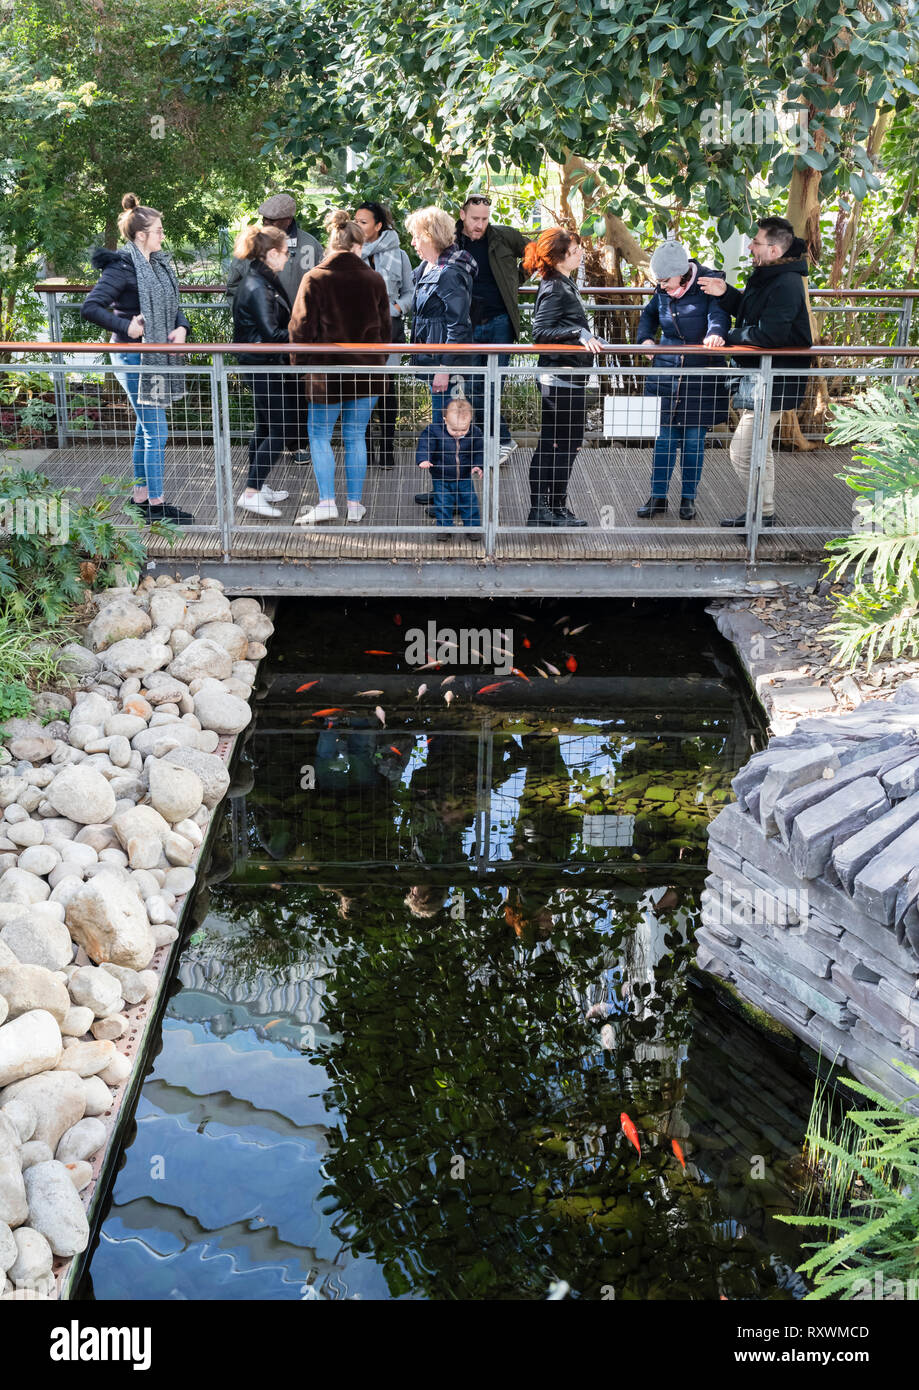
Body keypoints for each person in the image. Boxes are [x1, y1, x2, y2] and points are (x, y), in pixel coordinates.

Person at [81, 193, 195, 525]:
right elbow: (91, 307)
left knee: (145, 428)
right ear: (141, 234)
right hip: (133, 358)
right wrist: (127, 327)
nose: (162, 235)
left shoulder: (156, 264)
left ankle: (140, 497)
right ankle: (156, 506)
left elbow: (172, 305)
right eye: (158, 230)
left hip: (154, 355)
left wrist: (182, 328)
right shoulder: (123, 266)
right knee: (156, 431)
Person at [698, 217, 813, 529]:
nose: (750, 246)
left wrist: (727, 337)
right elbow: (754, 315)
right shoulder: (768, 276)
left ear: (774, 250)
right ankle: (763, 514)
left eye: (757, 242)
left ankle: (762, 515)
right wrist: (726, 293)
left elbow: (769, 335)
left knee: (741, 452)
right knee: (758, 450)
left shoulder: (785, 283)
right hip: (761, 378)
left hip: (773, 380)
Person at [288, 209, 390, 525]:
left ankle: (327, 501)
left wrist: (300, 366)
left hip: (324, 373)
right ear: (359, 246)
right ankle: (355, 505)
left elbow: (299, 329)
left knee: (319, 435)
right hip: (367, 372)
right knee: (355, 436)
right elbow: (386, 331)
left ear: (331, 243)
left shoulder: (314, 278)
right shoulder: (375, 279)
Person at [635, 241, 731, 522]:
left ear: (682, 273)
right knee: (664, 439)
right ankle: (658, 496)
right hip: (666, 370)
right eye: (659, 281)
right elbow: (649, 315)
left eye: (665, 280)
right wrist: (646, 339)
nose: (662, 285)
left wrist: (715, 333)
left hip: (700, 370)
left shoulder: (707, 284)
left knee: (693, 441)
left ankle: (688, 498)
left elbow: (719, 315)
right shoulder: (662, 290)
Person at [524, 228, 604, 527]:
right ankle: (542, 509)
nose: (581, 253)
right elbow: (540, 335)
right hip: (559, 379)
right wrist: (578, 333)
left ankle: (555, 508)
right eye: (576, 250)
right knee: (555, 444)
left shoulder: (561, 283)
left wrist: (581, 335)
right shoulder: (555, 286)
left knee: (565, 444)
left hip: (567, 376)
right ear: (559, 256)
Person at [405, 205, 478, 512]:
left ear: (429, 235)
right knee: (440, 431)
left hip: (448, 368)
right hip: (434, 361)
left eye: (415, 237)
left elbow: (457, 327)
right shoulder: (427, 269)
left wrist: (444, 369)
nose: (412, 243)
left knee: (453, 435)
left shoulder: (451, 272)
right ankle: (442, 492)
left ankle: (460, 502)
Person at [455, 193, 529, 457]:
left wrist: (516, 279)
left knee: (495, 385)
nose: (480, 224)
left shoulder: (504, 236)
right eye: (475, 218)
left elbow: (535, 253)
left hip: (500, 322)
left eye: (485, 219)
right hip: (468, 325)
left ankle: (496, 443)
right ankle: (498, 440)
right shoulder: (450, 239)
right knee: (474, 388)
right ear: (462, 214)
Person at [231, 224, 295, 518]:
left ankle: (257, 484)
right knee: (280, 429)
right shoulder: (258, 285)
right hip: (262, 363)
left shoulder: (261, 278)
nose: (288, 257)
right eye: (285, 252)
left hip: (261, 362)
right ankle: (252, 492)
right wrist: (302, 335)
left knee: (265, 426)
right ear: (271, 253)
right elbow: (271, 333)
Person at [354, 201, 414, 469]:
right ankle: (364, 448)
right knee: (360, 389)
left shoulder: (399, 255)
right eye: (355, 220)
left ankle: (387, 447)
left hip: (389, 329)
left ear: (378, 226)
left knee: (387, 388)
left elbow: (411, 292)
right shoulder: (349, 253)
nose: (358, 225)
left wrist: (398, 308)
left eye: (363, 221)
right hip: (358, 333)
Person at [225, 193, 323, 308]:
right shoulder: (251, 243)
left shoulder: (310, 245)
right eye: (264, 219)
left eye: (272, 221)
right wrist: (246, 316)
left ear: (288, 221)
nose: (266, 223)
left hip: (302, 323)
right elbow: (233, 286)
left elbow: (323, 286)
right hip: (261, 322)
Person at [416, 396, 483, 538]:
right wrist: (423, 459)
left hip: (464, 476)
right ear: (445, 419)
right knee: (443, 504)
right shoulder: (434, 431)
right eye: (454, 430)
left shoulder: (474, 432)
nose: (459, 433)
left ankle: (473, 529)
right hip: (441, 477)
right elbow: (425, 444)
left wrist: (478, 465)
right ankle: (444, 529)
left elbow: (479, 450)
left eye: (463, 429)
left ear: (470, 421)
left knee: (469, 502)